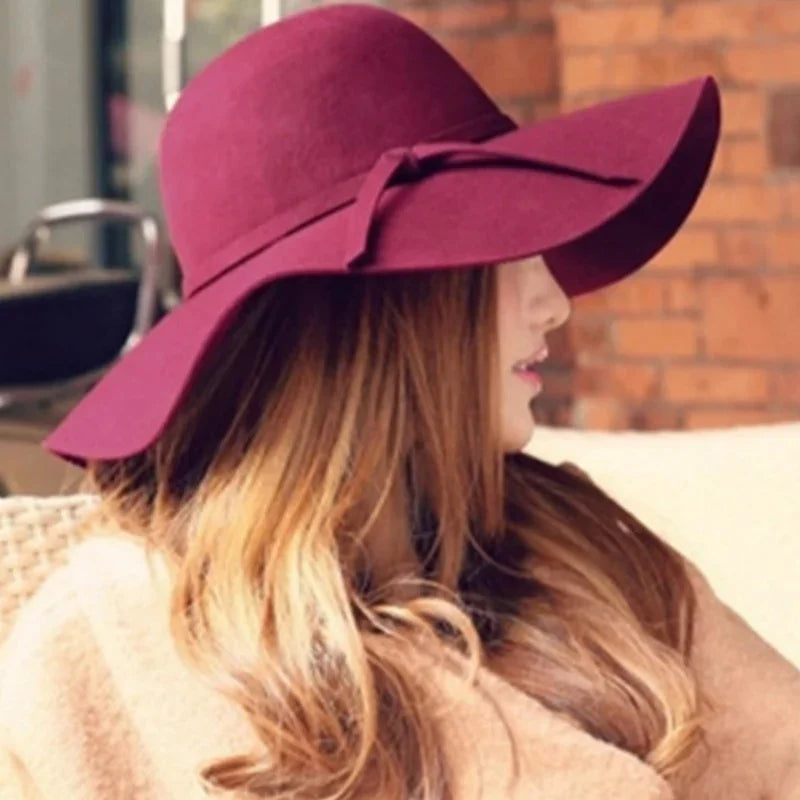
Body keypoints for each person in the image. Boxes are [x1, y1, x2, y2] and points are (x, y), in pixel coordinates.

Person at [1, 4, 799, 799]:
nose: (555, 301)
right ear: (378, 316)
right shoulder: (122, 641)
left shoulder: (586, 549)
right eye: (503, 246)